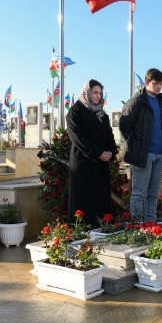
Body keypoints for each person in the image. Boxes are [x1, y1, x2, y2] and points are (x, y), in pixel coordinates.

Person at [119, 68, 162, 222]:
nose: (159, 87)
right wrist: (135, 149)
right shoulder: (136, 102)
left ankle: (150, 225)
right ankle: (136, 227)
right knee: (139, 193)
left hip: (160, 155)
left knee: (153, 194)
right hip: (143, 155)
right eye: (156, 83)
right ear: (147, 82)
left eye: (161, 84)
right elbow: (124, 128)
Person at [66, 79, 116, 227]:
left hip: (101, 165)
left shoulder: (102, 115)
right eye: (95, 92)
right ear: (87, 92)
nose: (98, 96)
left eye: (100, 93)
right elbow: (77, 137)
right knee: (83, 202)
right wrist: (97, 153)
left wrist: (109, 152)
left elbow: (109, 136)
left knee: (100, 201)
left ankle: (101, 232)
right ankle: (81, 236)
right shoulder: (75, 112)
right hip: (83, 164)